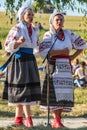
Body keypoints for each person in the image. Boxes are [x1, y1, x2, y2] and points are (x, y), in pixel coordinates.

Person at [39, 11, 87, 128]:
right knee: (55, 94)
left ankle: (58, 119)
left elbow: (83, 45)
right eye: (57, 20)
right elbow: (44, 52)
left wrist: (71, 57)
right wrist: (62, 52)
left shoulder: (68, 34)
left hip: (65, 67)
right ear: (52, 22)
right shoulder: (48, 35)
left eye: (61, 20)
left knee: (64, 93)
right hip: (53, 66)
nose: (59, 21)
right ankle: (56, 120)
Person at [2, 6, 41, 128]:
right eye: (28, 14)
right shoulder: (17, 28)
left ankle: (18, 119)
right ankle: (28, 119)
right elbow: (7, 45)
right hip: (19, 61)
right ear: (22, 15)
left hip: (30, 60)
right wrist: (18, 42)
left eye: (32, 15)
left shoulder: (34, 30)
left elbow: (37, 47)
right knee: (22, 89)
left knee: (25, 89)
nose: (31, 17)